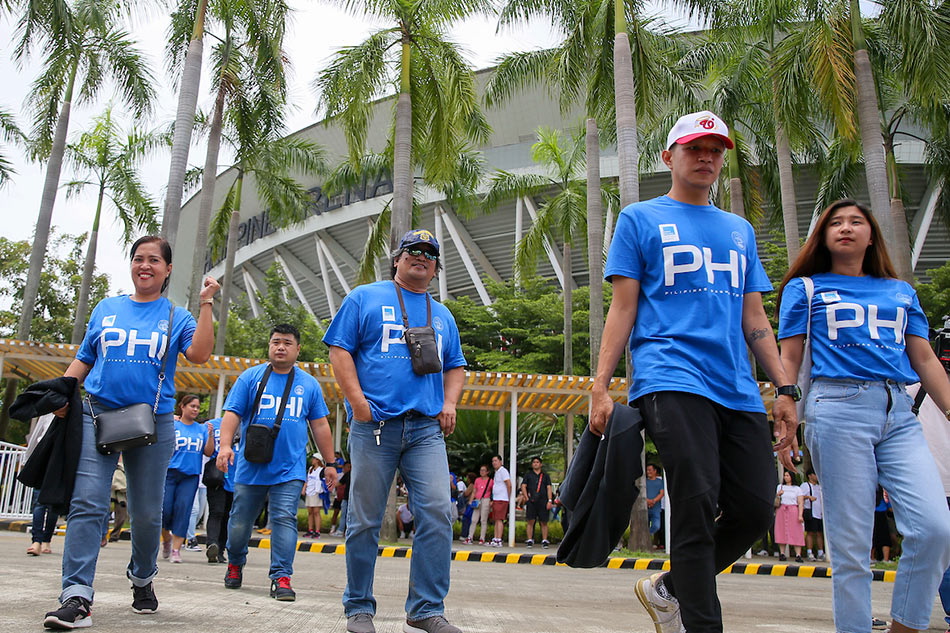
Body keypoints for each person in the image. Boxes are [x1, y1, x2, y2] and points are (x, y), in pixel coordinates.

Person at [589, 111, 800, 633]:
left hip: (737, 387)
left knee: (753, 507)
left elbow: (755, 318)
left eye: (715, 149)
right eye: (693, 148)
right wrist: (600, 387)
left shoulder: (739, 230)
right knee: (696, 496)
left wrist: (785, 387)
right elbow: (623, 309)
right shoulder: (640, 219)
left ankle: (670, 589)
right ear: (669, 157)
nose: (706, 157)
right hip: (670, 376)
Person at [778, 198, 950, 633]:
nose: (846, 228)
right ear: (824, 235)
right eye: (836, 222)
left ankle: (905, 625)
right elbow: (791, 358)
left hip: (897, 412)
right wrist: (787, 416)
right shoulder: (806, 288)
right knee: (851, 545)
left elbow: (925, 359)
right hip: (837, 410)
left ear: (872, 235)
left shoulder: (900, 291)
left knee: (935, 527)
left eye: (857, 221)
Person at [42, 236, 219, 630]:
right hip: (96, 413)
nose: (145, 265)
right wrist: (61, 393)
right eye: (138, 258)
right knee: (87, 502)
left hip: (153, 422)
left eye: (154, 260)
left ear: (168, 269)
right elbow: (85, 358)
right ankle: (76, 596)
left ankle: (142, 577)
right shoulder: (107, 308)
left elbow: (200, 354)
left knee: (145, 511)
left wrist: (206, 302)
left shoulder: (176, 317)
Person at [324, 228, 467, 633]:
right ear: (398, 258)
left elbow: (455, 364)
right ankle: (358, 607)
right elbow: (339, 349)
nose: (421, 257)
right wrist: (356, 401)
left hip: (425, 430)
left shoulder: (442, 315)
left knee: (439, 511)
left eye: (429, 254)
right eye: (413, 251)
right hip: (376, 428)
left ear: (436, 267)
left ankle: (425, 608)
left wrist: (450, 402)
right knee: (365, 519)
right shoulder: (364, 297)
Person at [216, 324, 338, 602]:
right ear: (269, 346)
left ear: (297, 349)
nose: (280, 347)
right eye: (275, 342)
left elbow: (319, 425)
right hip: (250, 466)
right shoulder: (250, 378)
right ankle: (235, 562)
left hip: (289, 469)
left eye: (286, 343)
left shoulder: (308, 384)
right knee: (239, 523)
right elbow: (232, 414)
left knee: (284, 518)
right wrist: (225, 446)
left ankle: (282, 577)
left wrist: (330, 462)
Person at [162, 394, 214, 563]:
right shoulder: (173, 425)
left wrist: (211, 435)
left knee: (183, 510)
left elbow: (208, 452)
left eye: (197, 407)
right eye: (192, 406)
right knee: (164, 509)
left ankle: (176, 550)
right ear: (182, 407)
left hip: (190, 476)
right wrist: (170, 418)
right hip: (170, 473)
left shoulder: (201, 429)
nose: (195, 410)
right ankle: (167, 539)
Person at [204, 415, 234, 564]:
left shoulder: (247, 423)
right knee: (216, 512)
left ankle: (221, 550)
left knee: (229, 515)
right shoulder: (212, 424)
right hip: (217, 475)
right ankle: (212, 544)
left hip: (237, 476)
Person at [521, 457, 553, 548]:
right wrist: (526, 497)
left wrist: (549, 500)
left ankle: (545, 540)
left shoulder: (545, 476)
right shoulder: (528, 475)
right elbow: (523, 485)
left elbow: (549, 488)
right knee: (530, 520)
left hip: (543, 501)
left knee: (543, 521)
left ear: (540, 464)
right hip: (531, 501)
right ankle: (530, 539)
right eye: (534, 462)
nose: (535, 464)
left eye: (537, 462)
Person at [774, 470, 805, 563]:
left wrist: (800, 515)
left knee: (796, 531)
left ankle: (798, 554)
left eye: (787, 475)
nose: (785, 477)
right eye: (785, 475)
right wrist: (778, 494)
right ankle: (782, 553)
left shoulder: (797, 489)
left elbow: (800, 502)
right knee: (781, 530)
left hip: (793, 510)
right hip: (782, 510)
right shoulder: (780, 487)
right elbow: (775, 499)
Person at [799, 469, 824, 561]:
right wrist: (808, 497)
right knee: (810, 532)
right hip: (811, 512)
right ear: (810, 475)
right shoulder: (805, 486)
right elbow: (800, 496)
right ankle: (809, 552)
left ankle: (820, 552)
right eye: (815, 474)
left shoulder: (819, 487)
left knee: (819, 533)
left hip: (819, 513)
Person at [465, 465, 492, 545]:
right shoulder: (477, 480)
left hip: (486, 499)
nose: (482, 472)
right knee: (474, 519)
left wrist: (492, 501)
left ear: (487, 472)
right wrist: (471, 500)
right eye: (481, 470)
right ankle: (470, 537)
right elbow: (474, 491)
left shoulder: (490, 481)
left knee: (483, 519)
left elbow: (492, 491)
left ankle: (482, 538)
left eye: (484, 470)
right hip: (477, 500)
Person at [489, 455, 511, 548]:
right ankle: (495, 537)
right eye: (493, 461)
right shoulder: (497, 472)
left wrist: (509, 497)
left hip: (502, 498)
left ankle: (499, 539)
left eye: (496, 460)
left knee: (499, 519)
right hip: (496, 498)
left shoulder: (503, 471)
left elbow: (508, 484)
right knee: (496, 519)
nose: (494, 463)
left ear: (500, 461)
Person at [304, 456, 326, 538]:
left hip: (316, 492)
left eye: (313, 459)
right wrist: (304, 489)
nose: (312, 460)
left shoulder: (321, 470)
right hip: (309, 492)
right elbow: (307, 480)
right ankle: (310, 530)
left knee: (316, 512)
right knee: (310, 512)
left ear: (318, 460)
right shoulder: (310, 469)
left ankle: (317, 531)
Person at [644, 463, 665, 550]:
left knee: (657, 525)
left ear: (655, 471)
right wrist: (647, 501)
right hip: (644, 508)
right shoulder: (644, 481)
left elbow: (662, 493)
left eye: (650, 470)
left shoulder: (660, 482)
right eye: (647, 470)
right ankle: (645, 544)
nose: (648, 472)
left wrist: (653, 501)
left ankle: (646, 535)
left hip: (656, 508)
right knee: (645, 525)